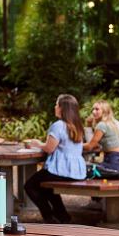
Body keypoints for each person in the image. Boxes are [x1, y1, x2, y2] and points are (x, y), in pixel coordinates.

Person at [24, 94, 86, 224]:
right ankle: (63, 216)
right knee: (47, 187)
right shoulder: (77, 126)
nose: (55, 107)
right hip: (77, 171)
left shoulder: (58, 126)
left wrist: (36, 143)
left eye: (57, 104)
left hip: (60, 169)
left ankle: (48, 216)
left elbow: (49, 148)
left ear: (62, 108)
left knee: (30, 185)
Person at [84, 100, 119, 174]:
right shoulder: (110, 123)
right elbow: (97, 146)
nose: (93, 112)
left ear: (104, 111)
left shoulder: (102, 125)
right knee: (90, 168)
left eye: (97, 109)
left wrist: (73, 145)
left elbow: (90, 146)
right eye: (93, 109)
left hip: (117, 161)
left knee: (86, 169)